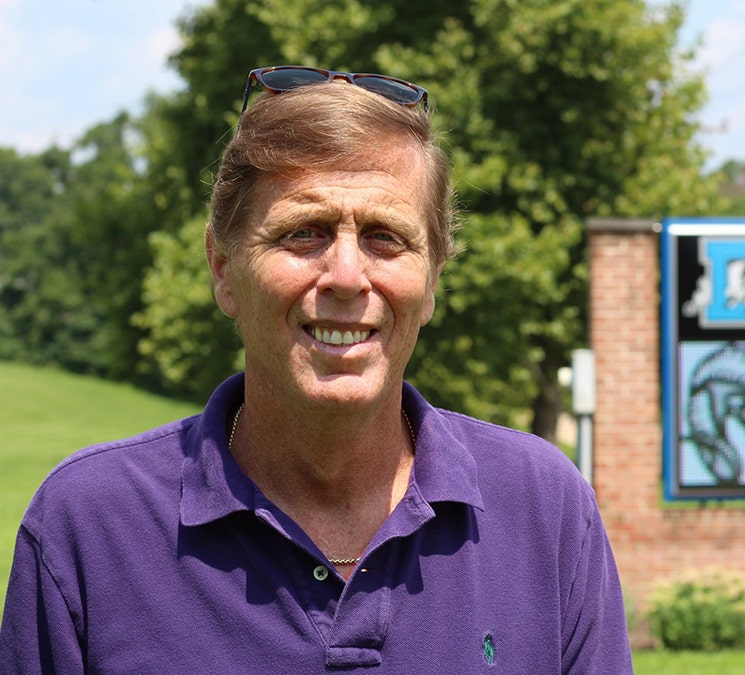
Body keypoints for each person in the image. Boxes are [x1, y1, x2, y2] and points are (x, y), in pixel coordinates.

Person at [0, 66, 634, 673]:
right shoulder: (89, 526)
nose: (347, 277)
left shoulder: (543, 511)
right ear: (223, 268)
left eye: (387, 237)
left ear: (433, 278)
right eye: (303, 232)